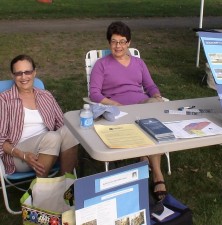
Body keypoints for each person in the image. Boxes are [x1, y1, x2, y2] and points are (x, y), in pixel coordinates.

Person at [89, 21, 167, 201]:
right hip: (118, 110)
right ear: (109, 43)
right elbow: (94, 93)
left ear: (129, 43)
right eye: (114, 42)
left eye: (122, 41)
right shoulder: (102, 64)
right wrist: (117, 105)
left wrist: (157, 97)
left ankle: (146, 161)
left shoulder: (138, 63)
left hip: (141, 104)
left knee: (152, 110)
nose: (118, 46)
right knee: (150, 123)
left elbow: (150, 85)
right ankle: (158, 175)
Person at [0, 54, 78, 178]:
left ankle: (66, 187)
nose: (24, 77)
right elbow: (0, 138)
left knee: (70, 131)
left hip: (49, 147)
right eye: (18, 73)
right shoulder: (4, 100)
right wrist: (23, 155)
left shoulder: (45, 95)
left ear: (34, 73)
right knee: (52, 137)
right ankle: (39, 192)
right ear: (12, 76)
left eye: (27, 72)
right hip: (18, 155)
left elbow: (61, 124)